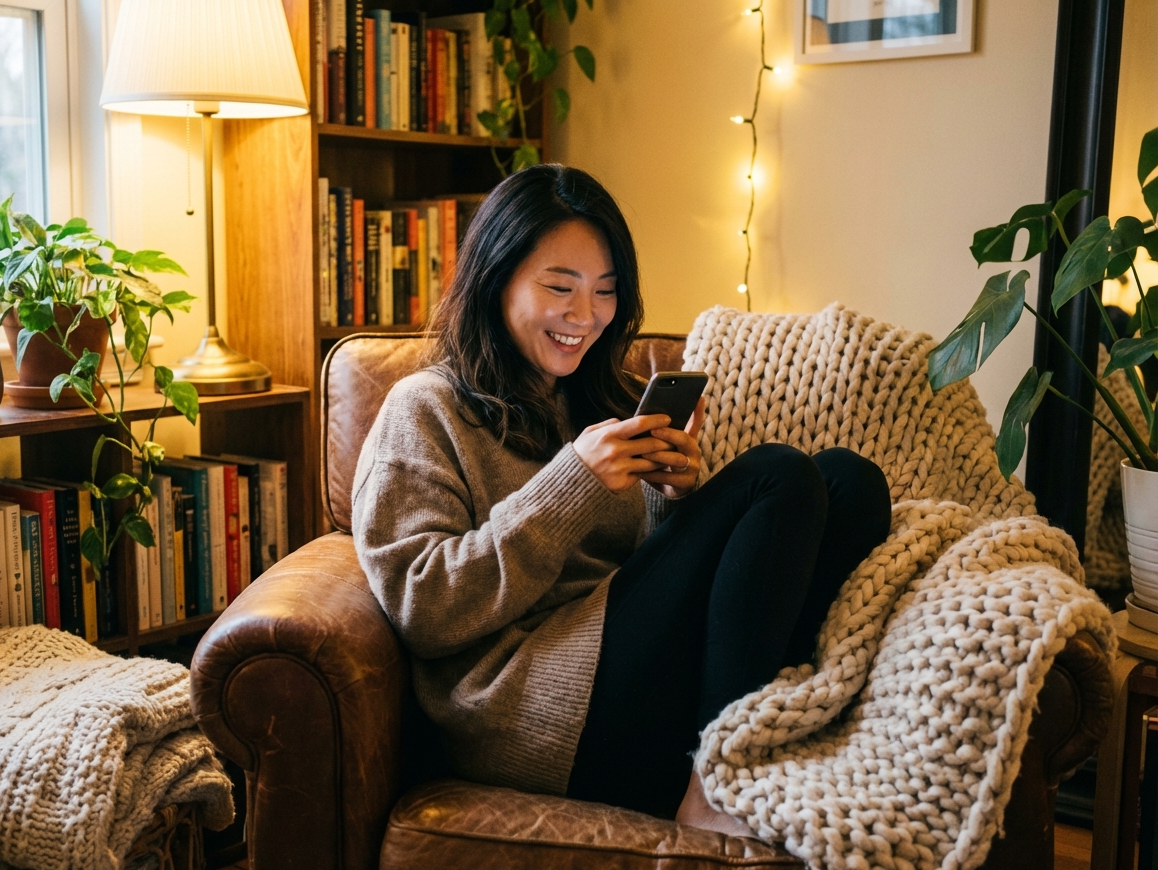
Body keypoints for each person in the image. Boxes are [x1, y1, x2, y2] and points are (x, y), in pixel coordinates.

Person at [352, 164, 891, 835]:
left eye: (605, 292)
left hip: (630, 682)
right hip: (532, 710)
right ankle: (712, 787)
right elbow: (422, 607)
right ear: (496, 281)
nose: (586, 317)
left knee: (847, 480)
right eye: (560, 287)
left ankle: (770, 734)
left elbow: (644, 581)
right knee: (775, 475)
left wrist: (673, 497)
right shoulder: (424, 408)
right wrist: (571, 482)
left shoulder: (596, 398)